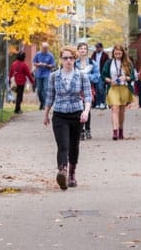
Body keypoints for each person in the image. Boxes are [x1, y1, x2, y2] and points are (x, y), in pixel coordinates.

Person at [43, 45, 92, 190]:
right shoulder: (54, 76)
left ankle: (72, 173)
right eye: (65, 58)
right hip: (59, 114)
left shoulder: (82, 76)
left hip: (77, 114)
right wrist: (46, 114)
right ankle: (62, 171)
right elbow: (50, 96)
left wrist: (86, 111)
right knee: (63, 144)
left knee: (74, 145)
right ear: (61, 59)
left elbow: (88, 96)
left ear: (75, 59)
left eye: (71, 58)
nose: (68, 61)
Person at [101, 44, 136, 140]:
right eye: (116, 54)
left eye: (119, 54)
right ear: (113, 53)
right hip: (113, 88)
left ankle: (121, 130)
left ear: (123, 53)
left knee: (121, 111)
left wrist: (126, 77)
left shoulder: (127, 63)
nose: (117, 55)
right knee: (114, 108)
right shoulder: (109, 62)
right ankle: (115, 131)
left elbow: (133, 76)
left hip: (124, 88)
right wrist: (109, 81)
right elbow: (103, 76)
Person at [74, 42, 100, 140]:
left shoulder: (92, 63)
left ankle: (88, 129)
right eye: (81, 48)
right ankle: (81, 130)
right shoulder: (74, 63)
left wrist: (85, 76)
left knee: (87, 109)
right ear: (78, 50)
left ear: (87, 51)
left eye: (85, 48)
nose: (83, 50)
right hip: (77, 88)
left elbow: (97, 77)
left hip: (89, 87)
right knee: (79, 109)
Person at [32, 42, 56, 110]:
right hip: (38, 74)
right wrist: (38, 64)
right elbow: (34, 63)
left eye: (46, 48)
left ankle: (45, 105)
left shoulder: (50, 55)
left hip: (47, 74)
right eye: (44, 48)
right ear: (41, 47)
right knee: (39, 90)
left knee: (46, 89)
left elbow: (53, 65)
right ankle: (42, 102)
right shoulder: (37, 54)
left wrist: (47, 65)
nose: (45, 49)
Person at [90, 42, 110, 109]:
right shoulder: (94, 54)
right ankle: (97, 103)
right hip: (95, 73)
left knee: (101, 87)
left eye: (98, 47)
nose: (97, 49)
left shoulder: (105, 55)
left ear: (101, 48)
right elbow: (91, 62)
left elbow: (108, 64)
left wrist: (106, 73)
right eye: (96, 47)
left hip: (102, 73)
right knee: (96, 89)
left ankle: (103, 102)